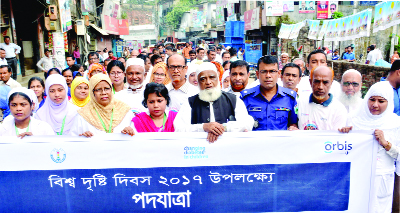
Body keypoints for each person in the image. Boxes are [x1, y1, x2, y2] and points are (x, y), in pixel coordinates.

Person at [338, 81, 400, 213]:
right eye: (372, 99)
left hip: (382, 179)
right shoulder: (355, 120)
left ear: (389, 102)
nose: (375, 105)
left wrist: (385, 143)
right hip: (359, 177)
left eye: (381, 101)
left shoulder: (395, 123)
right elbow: (346, 150)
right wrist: (345, 134)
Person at [174, 62, 253, 143]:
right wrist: (203, 127)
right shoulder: (190, 102)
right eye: (203, 79)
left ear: (218, 79)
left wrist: (222, 128)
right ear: (197, 82)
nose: (208, 82)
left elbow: (247, 123)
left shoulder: (233, 100)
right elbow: (179, 128)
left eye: (212, 77)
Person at [241, 56, 298, 131]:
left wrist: (293, 129)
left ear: (279, 74)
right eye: (264, 71)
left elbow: (293, 124)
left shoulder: (290, 98)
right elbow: (240, 124)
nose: (268, 76)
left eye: (272, 71)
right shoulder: (245, 97)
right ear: (257, 74)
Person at [70, 74, 135, 137]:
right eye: (98, 89)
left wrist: (129, 132)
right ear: (92, 93)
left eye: (107, 88)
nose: (103, 93)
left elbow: (136, 137)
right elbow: (73, 140)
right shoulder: (83, 115)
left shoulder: (125, 110)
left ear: (111, 89)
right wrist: (82, 138)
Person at [297, 66, 347, 130]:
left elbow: (336, 137)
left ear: (331, 83)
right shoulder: (300, 102)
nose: (320, 87)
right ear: (310, 82)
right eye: (317, 81)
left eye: (325, 82)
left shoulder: (339, 109)